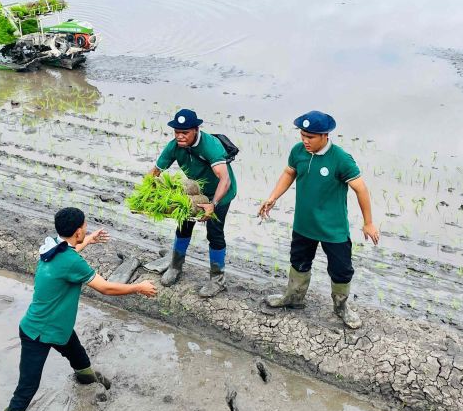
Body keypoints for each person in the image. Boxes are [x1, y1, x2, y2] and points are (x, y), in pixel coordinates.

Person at [0, 207, 157, 411]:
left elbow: (70, 255)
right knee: (27, 387)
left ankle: (88, 382)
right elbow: (106, 288)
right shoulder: (70, 260)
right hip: (39, 333)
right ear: (77, 230)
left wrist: (90, 241)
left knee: (80, 358)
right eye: (85, 227)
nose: (87, 229)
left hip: (58, 327)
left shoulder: (53, 246)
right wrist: (139, 287)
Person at [257, 111, 380, 329]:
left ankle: (341, 307)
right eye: (303, 135)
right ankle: (293, 298)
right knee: (299, 261)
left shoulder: (341, 159)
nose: (305, 140)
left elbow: (361, 189)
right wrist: (273, 197)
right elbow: (289, 173)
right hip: (304, 224)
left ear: (325, 135)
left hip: (333, 229)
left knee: (341, 270)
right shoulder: (298, 152)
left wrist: (368, 222)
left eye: (310, 137)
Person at [143, 109, 236, 296]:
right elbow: (155, 172)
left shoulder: (210, 146)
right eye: (177, 132)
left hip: (221, 193)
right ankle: (175, 267)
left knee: (215, 233)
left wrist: (213, 204)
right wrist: (145, 195)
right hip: (195, 191)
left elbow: (224, 180)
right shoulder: (174, 146)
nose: (180, 136)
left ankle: (217, 279)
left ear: (195, 129)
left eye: (184, 132)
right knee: (183, 225)